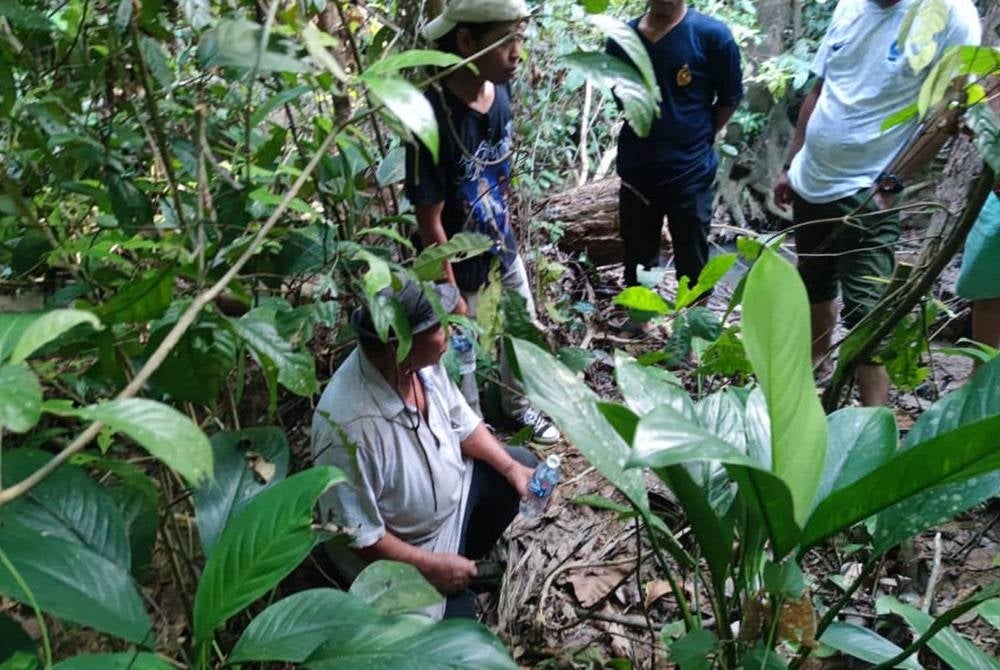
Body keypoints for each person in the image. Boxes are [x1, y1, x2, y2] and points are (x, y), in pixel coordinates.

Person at [773, 0, 981, 405]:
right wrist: (790, 163)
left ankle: (872, 424)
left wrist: (890, 183)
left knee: (869, 313)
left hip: (869, 190)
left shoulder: (950, 13)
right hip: (811, 180)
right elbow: (821, 88)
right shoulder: (849, 6)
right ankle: (818, 366)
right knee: (814, 283)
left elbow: (949, 108)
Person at [310, 280, 539, 620]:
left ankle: (464, 561)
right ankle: (449, 577)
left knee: (520, 464)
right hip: (401, 555)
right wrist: (428, 567)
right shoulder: (348, 428)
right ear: (397, 344)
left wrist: (509, 469)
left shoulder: (420, 364)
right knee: (457, 644)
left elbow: (462, 421)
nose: (451, 327)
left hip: (450, 507)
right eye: (437, 326)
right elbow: (361, 536)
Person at [405, 0, 559, 444]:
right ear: (467, 41)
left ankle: (518, 408)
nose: (518, 54)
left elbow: (500, 177)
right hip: (456, 256)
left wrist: (508, 235)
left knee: (521, 325)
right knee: (461, 348)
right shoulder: (430, 116)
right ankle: (472, 429)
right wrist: (449, 289)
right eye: (506, 41)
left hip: (500, 242)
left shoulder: (500, 94)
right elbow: (428, 218)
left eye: (520, 40)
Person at [606, 0, 744, 297]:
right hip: (638, 170)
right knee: (640, 253)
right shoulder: (622, 39)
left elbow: (729, 98)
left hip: (690, 172)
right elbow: (622, 99)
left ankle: (691, 327)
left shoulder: (712, 36)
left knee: (691, 255)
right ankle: (642, 317)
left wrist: (697, 136)